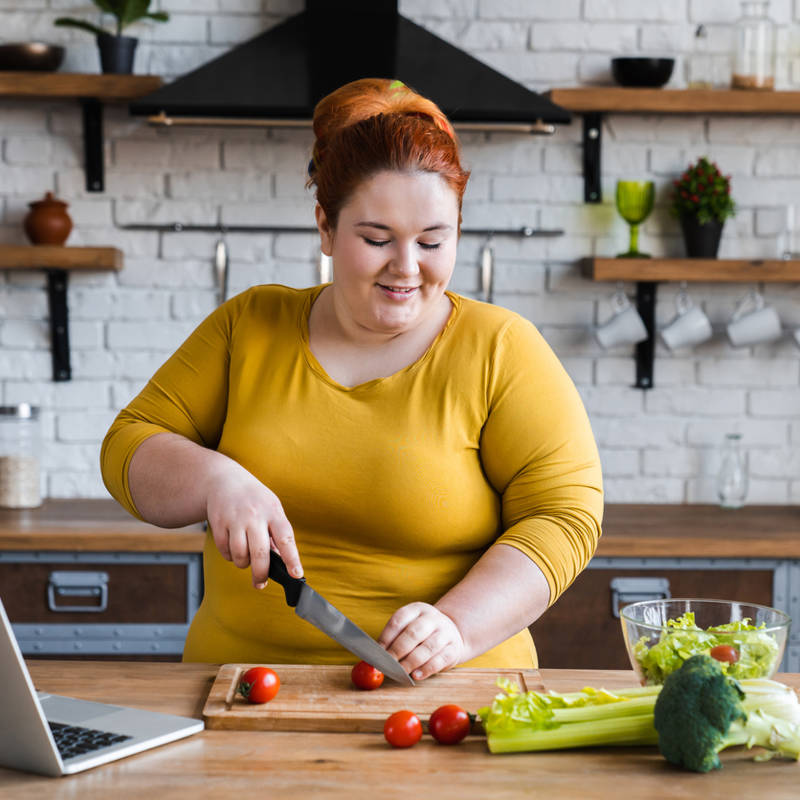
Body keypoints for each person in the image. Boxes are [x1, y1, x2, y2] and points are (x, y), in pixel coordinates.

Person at [101, 77, 603, 681]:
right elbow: (128, 443)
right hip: (233, 688)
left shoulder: (502, 349)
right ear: (326, 228)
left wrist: (458, 625)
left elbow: (565, 516)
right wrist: (215, 479)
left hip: (447, 695)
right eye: (376, 239)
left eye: (433, 240)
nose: (407, 267)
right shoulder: (249, 326)